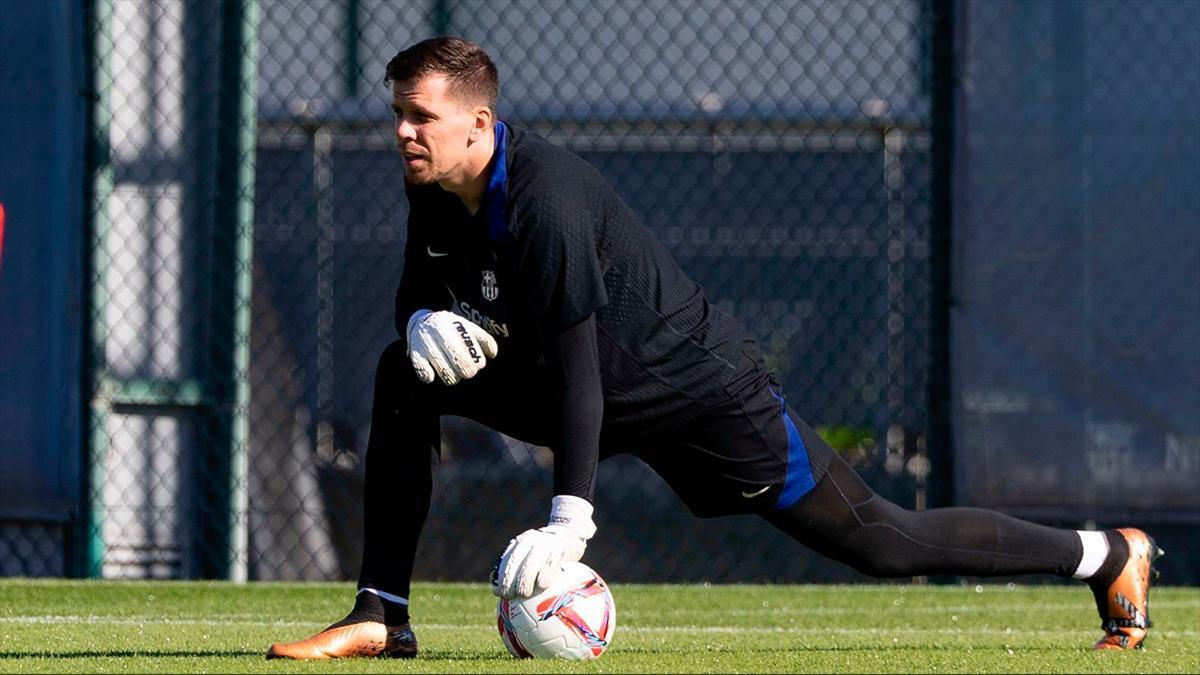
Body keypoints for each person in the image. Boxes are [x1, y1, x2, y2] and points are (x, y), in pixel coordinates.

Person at [266, 37, 1161, 659]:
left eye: (419, 116)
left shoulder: (548, 198)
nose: (401, 132)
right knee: (401, 372)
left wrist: (569, 517)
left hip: (693, 388)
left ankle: (1104, 555)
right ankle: (383, 611)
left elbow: (583, 369)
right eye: (397, 114)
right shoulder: (432, 182)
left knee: (881, 540)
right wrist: (423, 320)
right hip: (580, 384)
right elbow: (416, 297)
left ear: (479, 121)